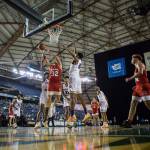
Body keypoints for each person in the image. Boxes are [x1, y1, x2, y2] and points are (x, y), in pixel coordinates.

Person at [122, 54, 150, 128]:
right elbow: (139, 77)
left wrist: (129, 78)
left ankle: (129, 121)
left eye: (132, 58)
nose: (131, 59)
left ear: (137, 59)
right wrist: (136, 85)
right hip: (138, 87)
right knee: (133, 103)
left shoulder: (139, 63)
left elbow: (140, 73)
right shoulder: (136, 65)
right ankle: (129, 121)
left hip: (144, 86)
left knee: (148, 104)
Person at [66, 48, 91, 126]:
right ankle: (86, 113)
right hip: (78, 79)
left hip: (73, 78)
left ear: (77, 56)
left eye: (76, 55)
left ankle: (72, 116)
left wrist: (68, 49)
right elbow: (75, 56)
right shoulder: (80, 61)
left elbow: (74, 57)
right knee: (80, 97)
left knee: (72, 98)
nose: (75, 56)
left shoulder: (76, 60)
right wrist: (74, 51)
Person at [41, 45, 62, 128]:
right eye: (55, 61)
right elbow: (46, 62)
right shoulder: (51, 66)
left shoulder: (60, 66)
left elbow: (57, 57)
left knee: (58, 100)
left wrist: (48, 50)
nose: (56, 61)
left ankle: (52, 105)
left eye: (56, 60)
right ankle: (45, 120)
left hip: (57, 84)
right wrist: (44, 57)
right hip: (51, 84)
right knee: (48, 102)